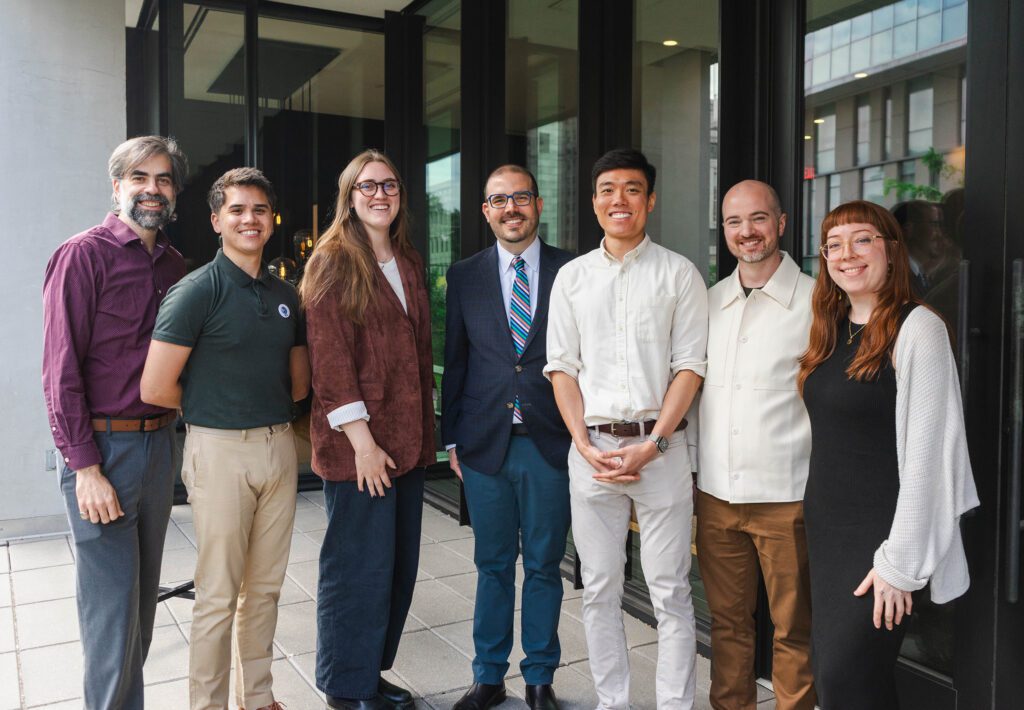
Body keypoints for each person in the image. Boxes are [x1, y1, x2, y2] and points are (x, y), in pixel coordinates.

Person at [797, 200, 979, 709]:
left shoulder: (918, 327)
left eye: (862, 240)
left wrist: (899, 564)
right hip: (827, 532)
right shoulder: (831, 327)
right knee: (847, 683)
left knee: (847, 679)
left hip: (879, 539)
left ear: (892, 251)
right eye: (833, 245)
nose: (846, 254)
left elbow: (926, 458)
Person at [545, 148, 708, 710]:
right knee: (600, 589)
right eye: (608, 189)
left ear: (650, 200)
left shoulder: (679, 273)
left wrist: (656, 443)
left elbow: (691, 367)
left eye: (632, 189)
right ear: (594, 203)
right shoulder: (571, 278)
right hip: (591, 451)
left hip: (661, 449)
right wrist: (583, 444)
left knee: (670, 592)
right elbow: (561, 368)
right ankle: (613, 702)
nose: (620, 199)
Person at [140, 167, 309, 710]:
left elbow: (299, 380)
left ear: (272, 219)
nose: (249, 219)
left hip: (279, 448)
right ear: (217, 220)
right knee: (217, 595)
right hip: (218, 451)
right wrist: (214, 406)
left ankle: (257, 698)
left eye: (259, 209)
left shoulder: (286, 294)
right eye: (236, 210)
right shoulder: (195, 291)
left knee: (264, 590)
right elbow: (155, 386)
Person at [41, 135, 188, 709]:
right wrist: (84, 468)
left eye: (164, 179)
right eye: (140, 178)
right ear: (117, 186)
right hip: (103, 451)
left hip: (158, 449)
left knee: (141, 610)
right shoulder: (83, 254)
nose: (153, 189)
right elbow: (59, 372)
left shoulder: (175, 265)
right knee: (111, 613)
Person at [301, 149, 435, 710]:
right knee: (356, 570)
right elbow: (330, 364)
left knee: (395, 569)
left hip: (408, 442)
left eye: (390, 184)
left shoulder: (405, 258)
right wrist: (363, 445)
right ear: (349, 197)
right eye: (367, 186)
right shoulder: (333, 259)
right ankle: (344, 686)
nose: (380, 194)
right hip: (362, 451)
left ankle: (369, 672)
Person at [442, 165, 574, 710]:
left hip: (551, 441)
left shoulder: (573, 269)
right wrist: (451, 439)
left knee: (544, 564)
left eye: (520, 197)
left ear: (538, 205)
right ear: (485, 211)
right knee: (492, 564)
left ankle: (539, 676)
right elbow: (456, 360)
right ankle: (488, 676)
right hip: (483, 444)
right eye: (499, 199)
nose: (510, 208)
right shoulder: (465, 274)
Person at [696, 180, 816, 710]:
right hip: (717, 494)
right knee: (727, 624)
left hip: (787, 496)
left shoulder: (819, 301)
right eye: (734, 223)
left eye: (758, 219)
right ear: (724, 230)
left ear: (782, 223)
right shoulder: (709, 301)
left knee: (794, 629)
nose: (747, 232)